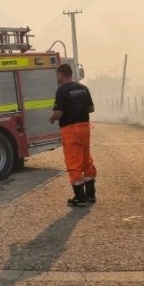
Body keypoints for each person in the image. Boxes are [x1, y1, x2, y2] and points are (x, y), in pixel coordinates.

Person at [49, 63, 97, 206]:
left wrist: (51, 118)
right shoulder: (83, 88)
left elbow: (59, 113)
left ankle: (79, 197)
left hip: (70, 130)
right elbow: (91, 108)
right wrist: (78, 110)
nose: (57, 77)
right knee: (86, 160)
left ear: (62, 74)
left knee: (73, 162)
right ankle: (90, 194)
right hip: (84, 127)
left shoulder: (61, 91)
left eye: (58, 74)